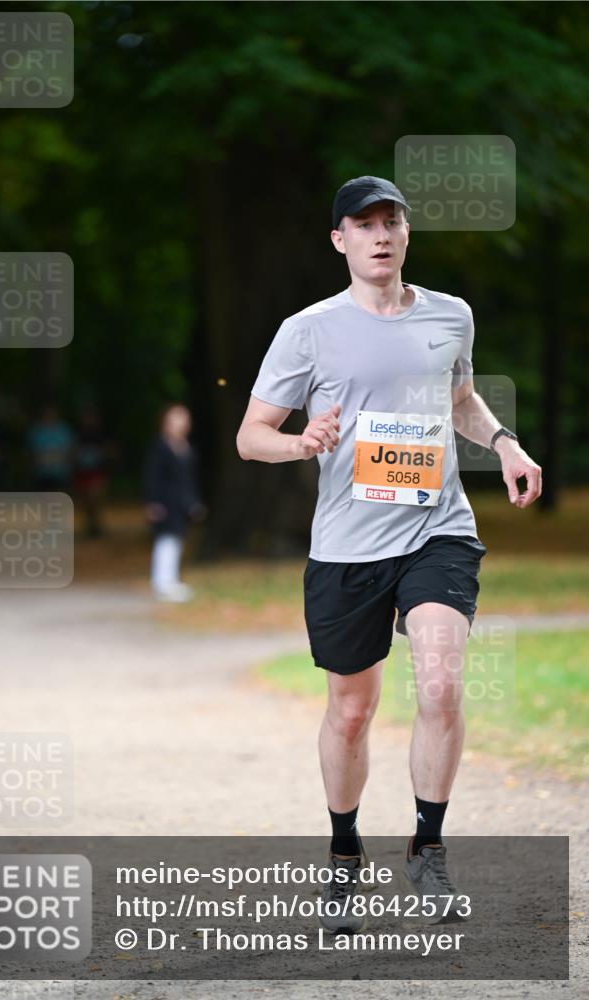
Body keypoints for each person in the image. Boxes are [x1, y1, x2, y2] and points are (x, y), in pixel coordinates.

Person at [236, 175, 542, 932]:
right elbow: (251, 436)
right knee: (351, 710)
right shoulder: (306, 329)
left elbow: (459, 399)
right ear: (338, 239)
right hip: (346, 544)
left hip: (437, 528)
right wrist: (299, 441)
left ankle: (427, 852)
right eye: (363, 224)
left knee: (439, 685)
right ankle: (344, 856)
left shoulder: (449, 315)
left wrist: (503, 443)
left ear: (406, 235)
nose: (380, 235)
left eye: (391, 222)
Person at [143, 402, 206, 602]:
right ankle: (162, 581)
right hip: (164, 503)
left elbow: (190, 480)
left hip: (181, 503)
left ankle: (170, 579)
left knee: (177, 540)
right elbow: (151, 477)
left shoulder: (187, 448)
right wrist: (152, 502)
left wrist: (193, 502)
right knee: (165, 541)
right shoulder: (159, 448)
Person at [73, 404, 113, 538]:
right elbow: (73, 452)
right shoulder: (78, 434)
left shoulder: (101, 433)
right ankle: (91, 525)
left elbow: (109, 451)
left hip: (97, 472)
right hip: (83, 472)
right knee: (86, 501)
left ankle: (96, 525)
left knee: (95, 498)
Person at [28, 404, 75, 491]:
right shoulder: (36, 431)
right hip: (42, 474)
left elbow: (71, 452)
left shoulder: (64, 430)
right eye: (46, 413)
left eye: (51, 413)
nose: (49, 415)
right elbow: (32, 454)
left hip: (61, 474)